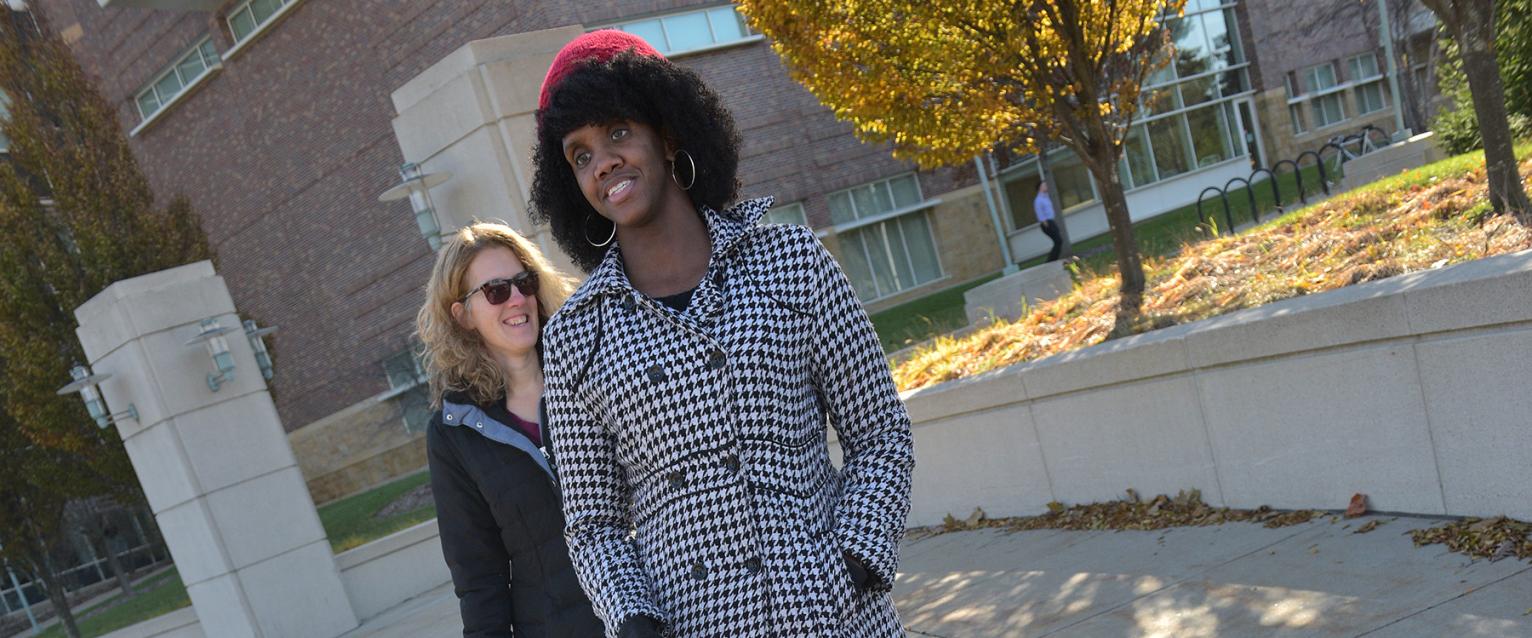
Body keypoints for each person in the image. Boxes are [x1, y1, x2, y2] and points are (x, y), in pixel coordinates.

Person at [529, 30, 915, 638]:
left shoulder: (789, 261)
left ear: (669, 131)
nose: (602, 162)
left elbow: (879, 433)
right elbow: (593, 524)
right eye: (579, 155)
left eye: (618, 133)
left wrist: (856, 561)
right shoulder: (577, 335)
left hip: (839, 616)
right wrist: (632, 616)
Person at [415, 222, 605, 638]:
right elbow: (479, 577)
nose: (517, 299)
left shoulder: (595, 374)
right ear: (463, 315)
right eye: (496, 291)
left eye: (524, 283)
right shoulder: (456, 433)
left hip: (660, 613)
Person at [1034, 181, 1062, 262]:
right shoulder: (1038, 200)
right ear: (1040, 188)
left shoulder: (1046, 197)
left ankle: (1054, 259)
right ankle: (1051, 260)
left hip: (1051, 221)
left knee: (1058, 241)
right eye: (1044, 185)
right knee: (1058, 240)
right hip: (1046, 223)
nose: (1046, 186)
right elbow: (1040, 213)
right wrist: (1045, 223)